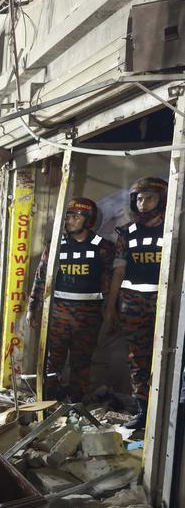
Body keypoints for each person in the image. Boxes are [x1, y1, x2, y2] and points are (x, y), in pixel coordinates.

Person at [28, 198, 114, 402]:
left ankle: (76, 402)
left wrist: (112, 313)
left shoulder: (103, 248)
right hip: (58, 315)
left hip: (89, 317)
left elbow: (111, 285)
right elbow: (41, 277)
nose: (69, 220)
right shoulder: (56, 245)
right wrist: (33, 306)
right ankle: (48, 400)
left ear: (89, 220)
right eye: (68, 216)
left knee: (81, 363)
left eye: (75, 216)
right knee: (52, 361)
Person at [105, 177, 169, 429]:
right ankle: (143, 412)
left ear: (161, 200)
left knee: (166, 358)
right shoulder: (127, 232)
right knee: (138, 359)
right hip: (133, 306)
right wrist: (110, 307)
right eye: (139, 199)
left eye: (150, 198)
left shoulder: (173, 229)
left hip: (165, 305)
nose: (143, 204)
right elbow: (118, 273)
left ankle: (165, 410)